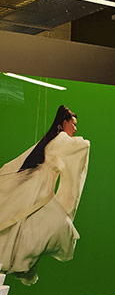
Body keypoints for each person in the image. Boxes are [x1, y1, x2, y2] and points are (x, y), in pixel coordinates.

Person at [0, 105, 90, 285]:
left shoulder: (53, 139)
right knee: (57, 226)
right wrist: (86, 143)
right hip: (41, 188)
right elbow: (81, 145)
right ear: (64, 122)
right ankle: (23, 261)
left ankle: (22, 261)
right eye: (73, 124)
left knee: (24, 223)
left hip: (38, 186)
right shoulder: (61, 139)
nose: (75, 128)